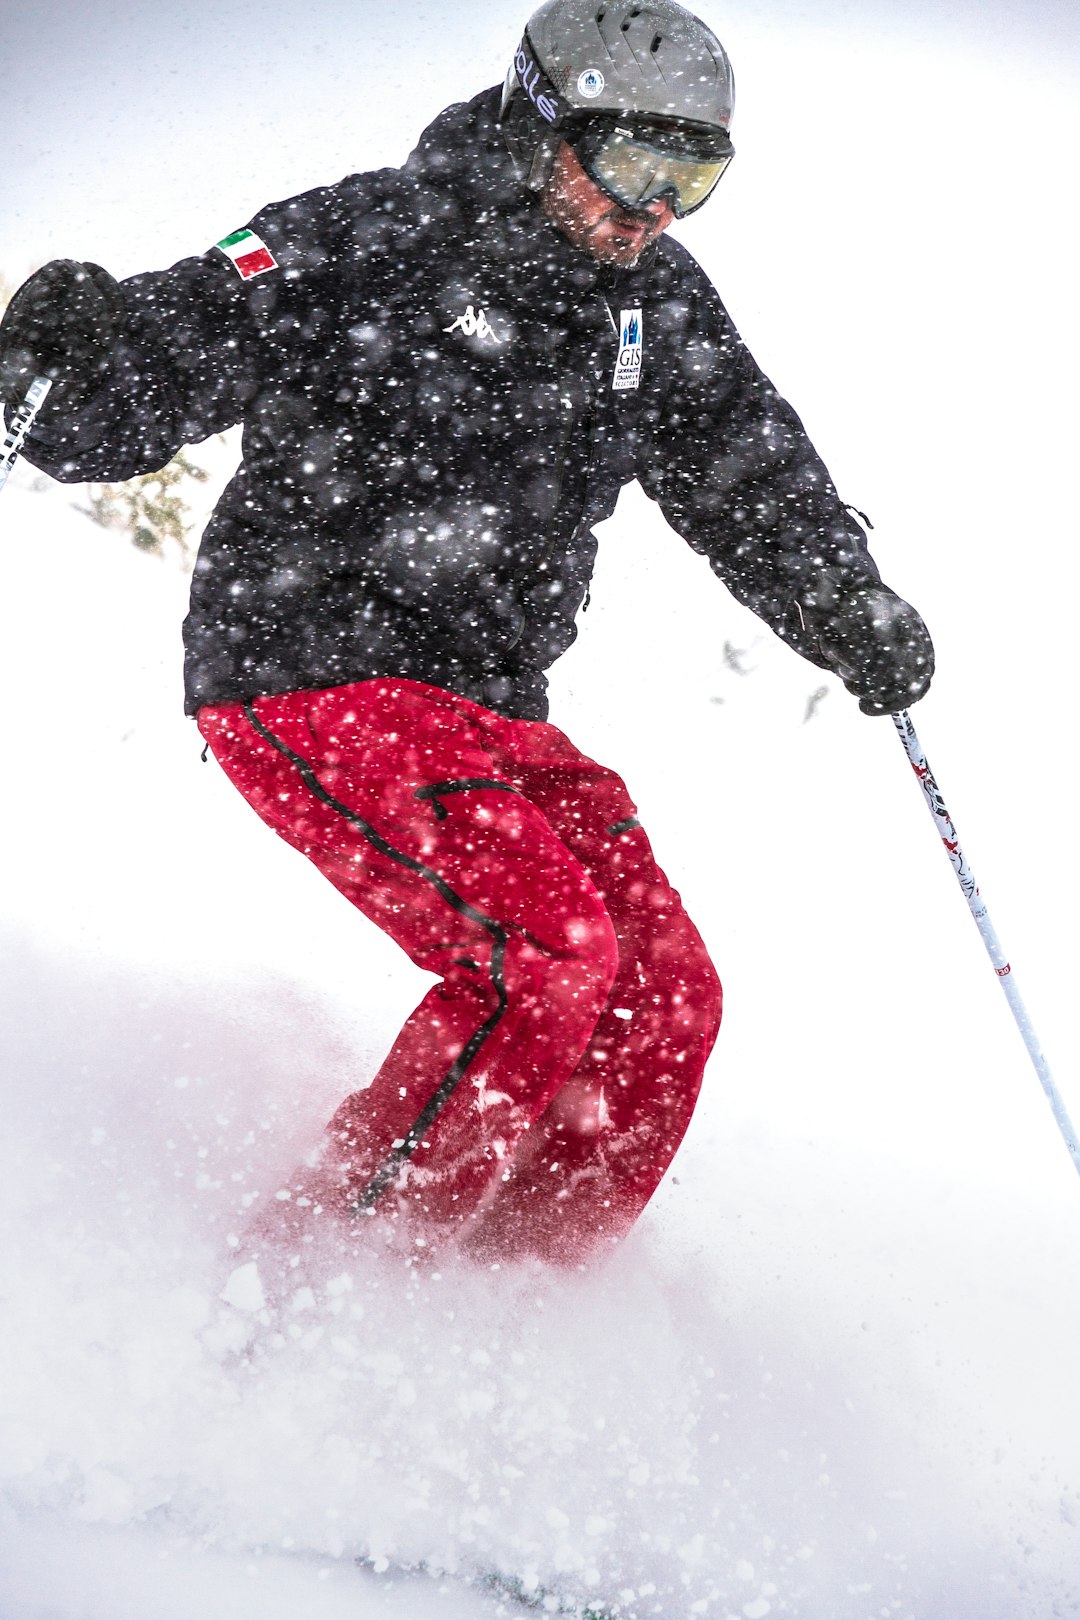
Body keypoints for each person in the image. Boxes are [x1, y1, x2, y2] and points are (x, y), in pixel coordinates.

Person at [0, 0, 932, 1272]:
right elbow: (182, 346)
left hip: (489, 705)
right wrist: (64, 382)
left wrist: (843, 598)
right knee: (542, 952)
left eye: (693, 180)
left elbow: (743, 467)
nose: (652, 211)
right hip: (311, 666)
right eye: (634, 169)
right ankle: (331, 1302)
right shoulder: (369, 238)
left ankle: (514, 1317)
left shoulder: (648, 305)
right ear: (542, 123)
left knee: (665, 998)